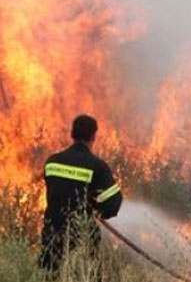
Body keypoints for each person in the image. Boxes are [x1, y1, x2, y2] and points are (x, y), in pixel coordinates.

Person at [39, 114, 123, 274]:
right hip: (81, 240)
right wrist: (97, 207)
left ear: (73, 134)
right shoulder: (97, 166)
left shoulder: (52, 162)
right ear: (93, 137)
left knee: (50, 276)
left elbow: (59, 191)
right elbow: (114, 203)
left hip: (52, 237)